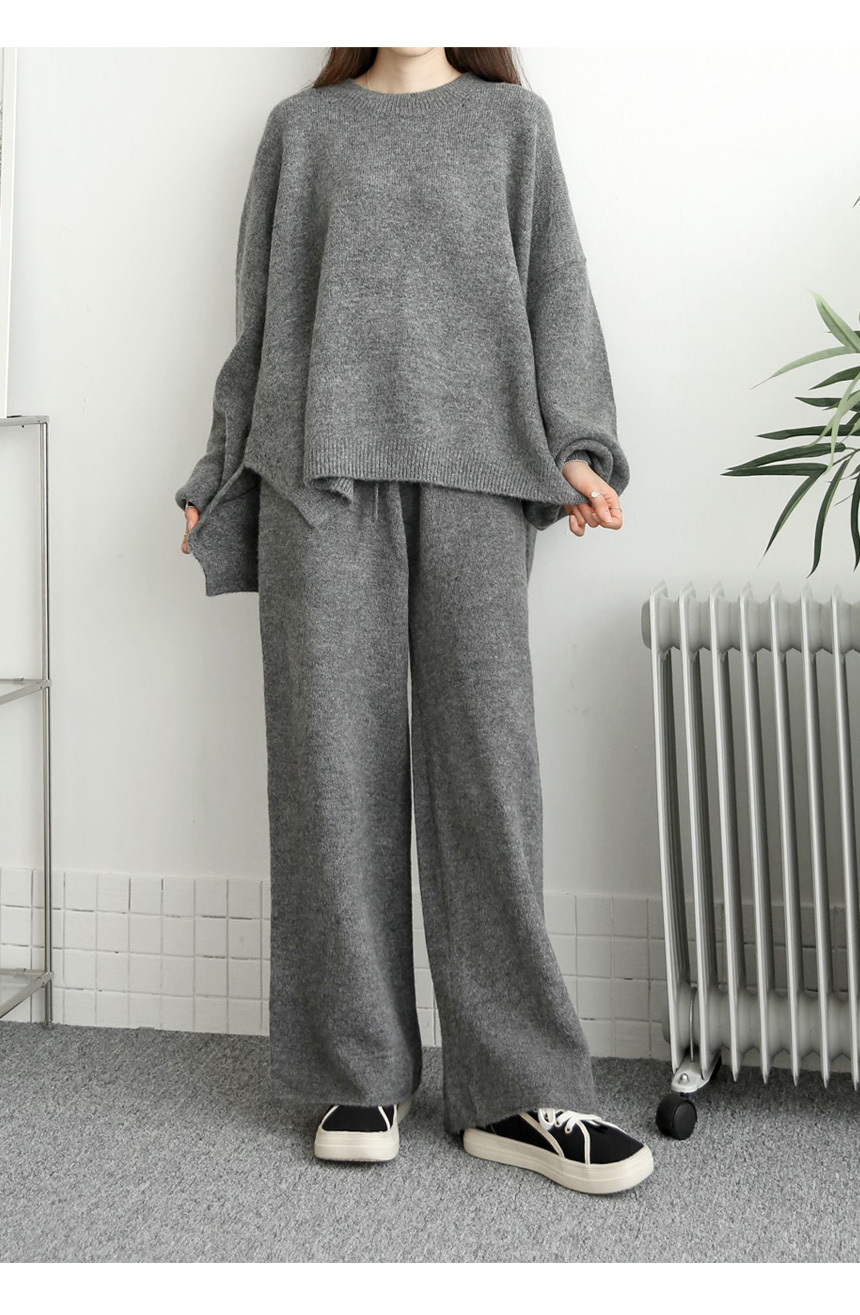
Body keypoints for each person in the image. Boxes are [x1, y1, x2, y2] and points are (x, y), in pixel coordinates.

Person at [176, 46, 653, 1196]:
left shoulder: (513, 125)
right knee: (329, 772)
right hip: (317, 478)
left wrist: (579, 445)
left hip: (478, 479)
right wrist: (215, 468)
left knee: (487, 774)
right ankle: (357, 1072)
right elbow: (259, 318)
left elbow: (555, 290)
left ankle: (514, 1091)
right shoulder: (301, 130)